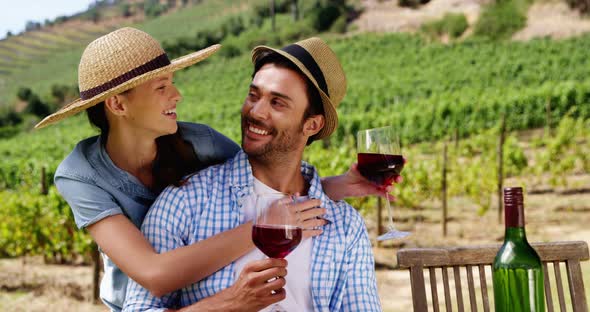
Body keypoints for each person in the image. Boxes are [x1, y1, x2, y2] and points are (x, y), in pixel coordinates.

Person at [34, 28, 392, 311]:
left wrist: (335, 188)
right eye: (162, 87)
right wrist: (262, 236)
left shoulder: (202, 143)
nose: (177, 96)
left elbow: (263, 175)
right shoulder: (84, 175)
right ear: (117, 105)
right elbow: (154, 276)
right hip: (134, 291)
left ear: (311, 125)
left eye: (277, 102)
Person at [123, 37, 381, 311]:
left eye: (277, 103)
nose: (256, 111)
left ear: (312, 124)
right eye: (253, 95)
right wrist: (228, 304)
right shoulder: (186, 202)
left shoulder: (343, 226)